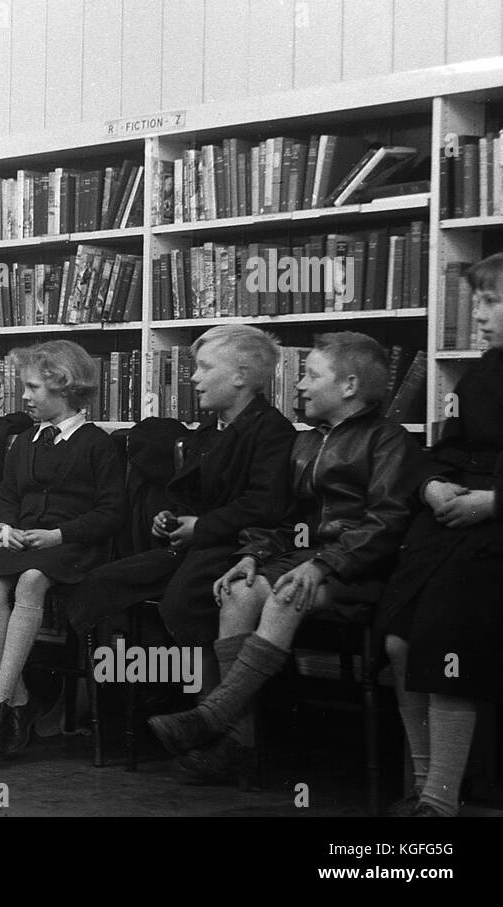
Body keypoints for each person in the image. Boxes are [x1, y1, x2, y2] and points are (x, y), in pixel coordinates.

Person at [149, 332, 420, 783]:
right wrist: (253, 554)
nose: (299, 385)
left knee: (283, 595)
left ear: (350, 386)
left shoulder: (388, 441)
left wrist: (323, 565)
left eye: (311, 375)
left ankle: (216, 717)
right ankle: (237, 740)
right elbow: (287, 517)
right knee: (238, 591)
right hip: (305, 558)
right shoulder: (307, 442)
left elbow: (385, 523)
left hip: (359, 568)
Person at [70, 324, 297, 694]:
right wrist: (171, 517)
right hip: (196, 544)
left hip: (235, 547)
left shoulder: (272, 432)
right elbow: (188, 492)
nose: (194, 378)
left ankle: (207, 711)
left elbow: (263, 505)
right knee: (101, 582)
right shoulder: (209, 432)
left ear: (240, 376)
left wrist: (201, 526)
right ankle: (114, 699)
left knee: (183, 603)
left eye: (206, 368)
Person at [378, 253, 503, 817]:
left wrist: (494, 502)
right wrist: (430, 484)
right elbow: (447, 446)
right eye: (477, 300)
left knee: (445, 640)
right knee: (399, 639)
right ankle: (423, 785)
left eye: (491, 302)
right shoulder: (484, 371)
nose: (477, 315)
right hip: (453, 516)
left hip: (494, 526)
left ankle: (440, 800)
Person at [0, 340, 125, 756]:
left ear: (63, 387)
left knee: (31, 579)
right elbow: (5, 499)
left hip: (73, 545)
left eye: (33, 388)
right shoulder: (22, 441)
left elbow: (111, 513)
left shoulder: (97, 444)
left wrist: (59, 536)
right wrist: (4, 527)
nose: (24, 397)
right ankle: (19, 700)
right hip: (23, 540)